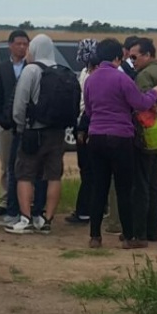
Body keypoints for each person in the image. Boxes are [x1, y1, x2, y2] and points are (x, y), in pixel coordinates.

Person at [82, 38, 157, 249]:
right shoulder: (121, 79)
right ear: (118, 58)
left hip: (96, 137)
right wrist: (154, 94)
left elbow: (88, 110)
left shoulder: (90, 80)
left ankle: (95, 236)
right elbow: (140, 103)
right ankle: (129, 237)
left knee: (99, 187)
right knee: (124, 189)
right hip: (120, 137)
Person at [6, 33, 69, 234]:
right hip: (57, 131)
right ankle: (47, 219)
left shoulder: (31, 70)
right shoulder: (63, 70)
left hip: (33, 131)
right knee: (53, 176)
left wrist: (20, 126)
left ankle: (25, 219)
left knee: (25, 174)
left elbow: (20, 104)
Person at [128, 37, 157, 243]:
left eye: (134, 57)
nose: (132, 61)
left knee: (141, 185)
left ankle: (141, 232)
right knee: (154, 184)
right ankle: (153, 230)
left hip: (146, 137)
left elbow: (141, 106)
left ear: (147, 55)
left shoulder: (144, 76)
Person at [0, 29, 31, 219]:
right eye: (18, 44)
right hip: (6, 123)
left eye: (25, 44)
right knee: (6, 164)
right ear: (10, 45)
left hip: (27, 124)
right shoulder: (2, 67)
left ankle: (27, 201)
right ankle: (5, 201)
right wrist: (0, 118)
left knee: (27, 164)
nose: (22, 47)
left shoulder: (31, 67)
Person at [65, 38, 101, 226]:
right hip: (85, 122)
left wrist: (82, 127)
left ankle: (85, 210)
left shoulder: (89, 74)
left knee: (88, 171)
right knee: (90, 170)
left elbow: (87, 105)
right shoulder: (87, 72)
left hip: (86, 124)